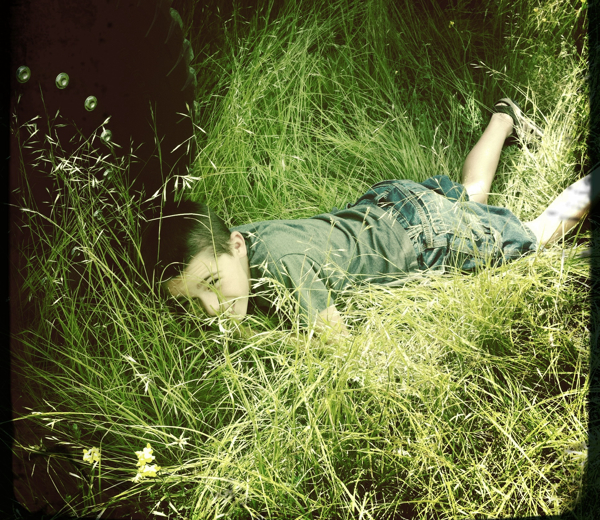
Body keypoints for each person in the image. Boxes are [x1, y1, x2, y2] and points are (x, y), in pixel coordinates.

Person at [142, 98, 599, 340]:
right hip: (389, 207)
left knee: (536, 237)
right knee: (470, 196)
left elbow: (341, 347)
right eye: (192, 302)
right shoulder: (236, 243)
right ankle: (504, 119)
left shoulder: (282, 267)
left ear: (237, 245)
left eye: (212, 283)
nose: (211, 309)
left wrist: (254, 340)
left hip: (423, 238)